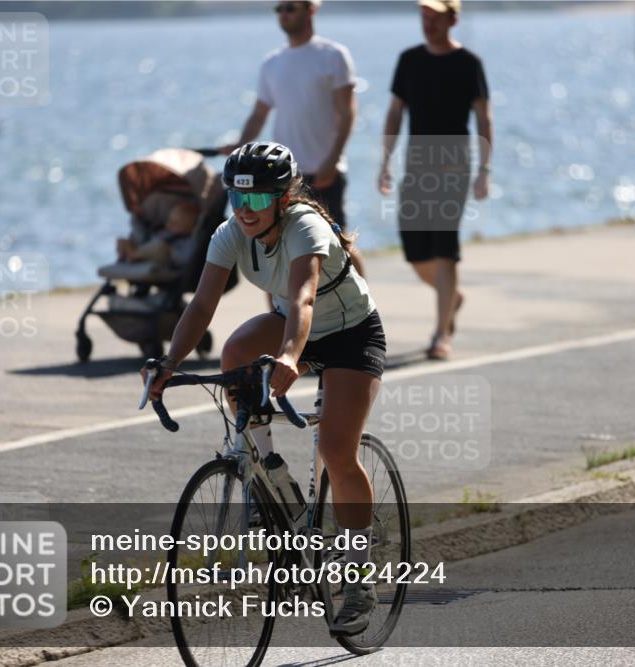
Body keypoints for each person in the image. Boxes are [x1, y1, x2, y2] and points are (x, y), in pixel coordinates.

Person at [143, 142, 385, 635]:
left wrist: (292, 357)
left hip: (349, 334)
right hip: (287, 326)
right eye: (236, 198)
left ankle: (360, 578)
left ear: (282, 198)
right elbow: (202, 303)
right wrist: (170, 361)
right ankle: (264, 465)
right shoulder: (230, 232)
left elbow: (302, 297)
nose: (244, 210)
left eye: (256, 201)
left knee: (338, 451)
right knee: (234, 352)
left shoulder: (306, 227)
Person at [378, 0, 492, 360]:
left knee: (446, 251)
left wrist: (484, 171)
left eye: (435, 17)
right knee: (416, 253)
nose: (428, 23)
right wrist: (385, 162)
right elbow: (396, 113)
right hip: (416, 167)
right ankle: (452, 298)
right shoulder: (409, 60)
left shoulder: (469, 64)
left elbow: (484, 119)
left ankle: (441, 334)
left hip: (453, 167)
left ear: (453, 19)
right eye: (424, 16)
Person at [221, 0, 365, 277]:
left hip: (326, 171)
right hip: (282, 176)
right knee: (274, 245)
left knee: (338, 243)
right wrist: (239, 145)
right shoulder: (272, 63)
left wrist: (332, 159)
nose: (283, 14)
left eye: (290, 7)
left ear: (310, 10)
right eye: (280, 9)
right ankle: (279, 315)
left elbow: (347, 113)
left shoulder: (333, 54)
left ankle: (363, 306)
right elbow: (259, 114)